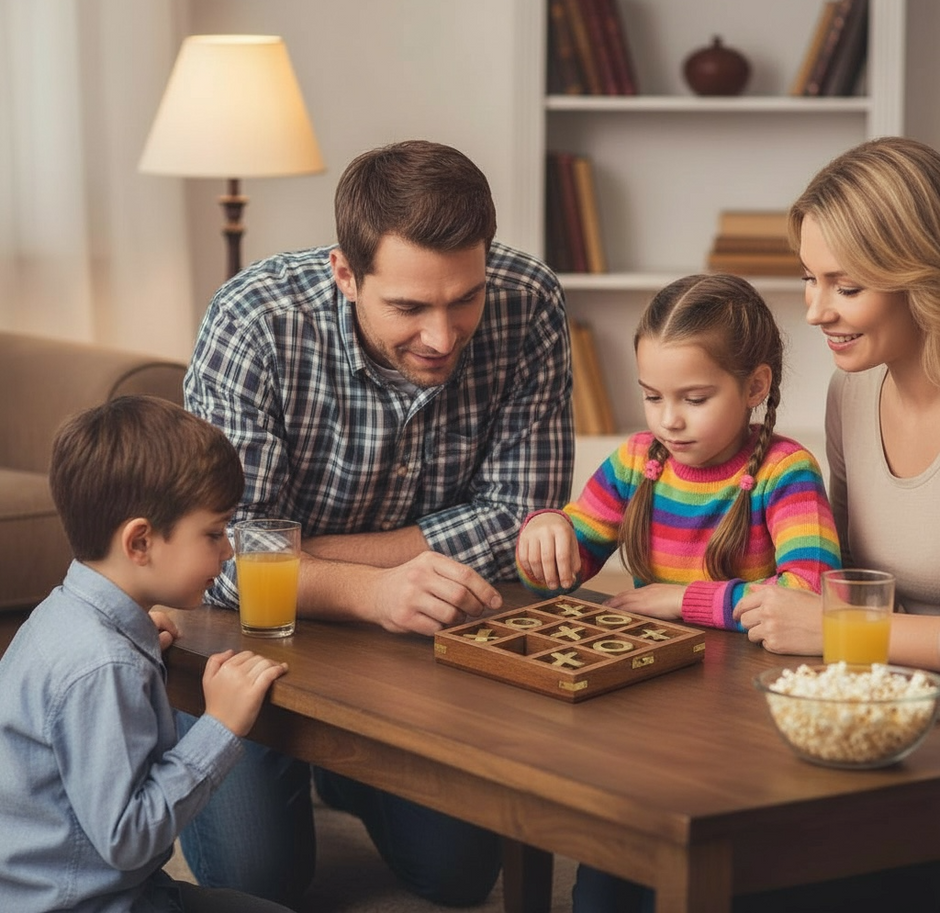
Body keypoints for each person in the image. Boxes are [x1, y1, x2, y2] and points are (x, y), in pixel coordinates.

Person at [180, 139, 574, 907]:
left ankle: (342, 774)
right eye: (408, 308)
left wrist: (301, 554)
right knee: (260, 884)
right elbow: (224, 560)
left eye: (465, 298)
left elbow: (519, 518)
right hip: (248, 634)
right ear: (345, 273)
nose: (442, 336)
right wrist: (374, 591)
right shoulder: (253, 319)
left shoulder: (528, 300)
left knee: (460, 877)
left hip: (414, 639)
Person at [516, 272, 842, 913]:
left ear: (755, 387)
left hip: (745, 714)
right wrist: (546, 532)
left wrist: (680, 599)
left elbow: (807, 593)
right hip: (650, 695)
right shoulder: (639, 459)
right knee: (605, 884)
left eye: (695, 398)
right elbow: (562, 566)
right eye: (652, 396)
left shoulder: (786, 470)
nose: (669, 419)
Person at [0, 395, 291, 913]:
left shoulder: (64, 618)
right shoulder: (102, 665)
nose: (229, 551)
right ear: (140, 543)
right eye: (214, 533)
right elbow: (128, 838)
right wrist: (220, 726)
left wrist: (132, 640)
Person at [735, 136, 940, 671]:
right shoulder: (850, 392)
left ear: (921, 279)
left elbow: (841, 616)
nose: (816, 312)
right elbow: (845, 575)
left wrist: (840, 628)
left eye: (846, 288)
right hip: (878, 687)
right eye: (809, 278)